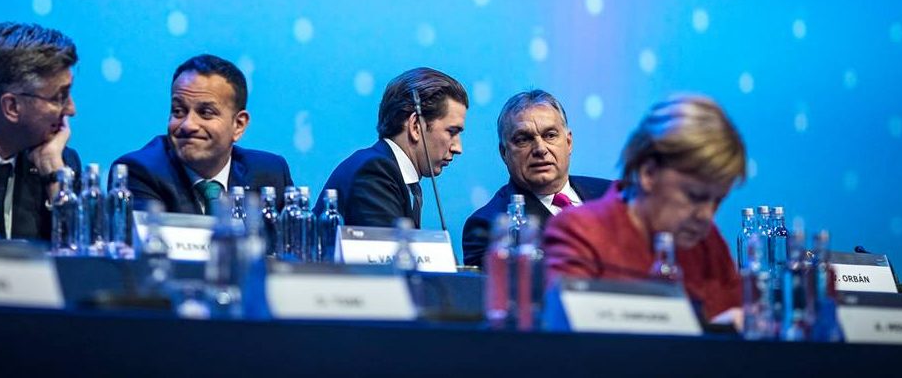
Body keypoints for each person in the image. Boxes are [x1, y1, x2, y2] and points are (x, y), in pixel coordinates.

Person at [542, 95, 747, 322]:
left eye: (717, 201)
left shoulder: (708, 242)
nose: (707, 216)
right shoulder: (579, 231)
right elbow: (573, 335)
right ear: (648, 173)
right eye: (694, 196)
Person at [113, 54, 293, 214]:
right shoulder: (140, 171)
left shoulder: (270, 173)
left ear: (238, 125)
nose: (188, 125)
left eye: (206, 113)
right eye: (178, 111)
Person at [462, 90, 610, 267]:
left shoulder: (614, 194)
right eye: (523, 140)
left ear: (568, 142)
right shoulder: (488, 228)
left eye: (550, 135)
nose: (540, 149)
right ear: (504, 153)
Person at [315, 67, 467, 229]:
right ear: (416, 126)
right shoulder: (374, 172)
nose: (458, 148)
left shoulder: (394, 175)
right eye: (452, 132)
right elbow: (389, 245)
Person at [0, 22, 81, 240]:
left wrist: (53, 173)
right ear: (12, 107)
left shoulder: (62, 164)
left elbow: (82, 251)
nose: (71, 110)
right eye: (59, 97)